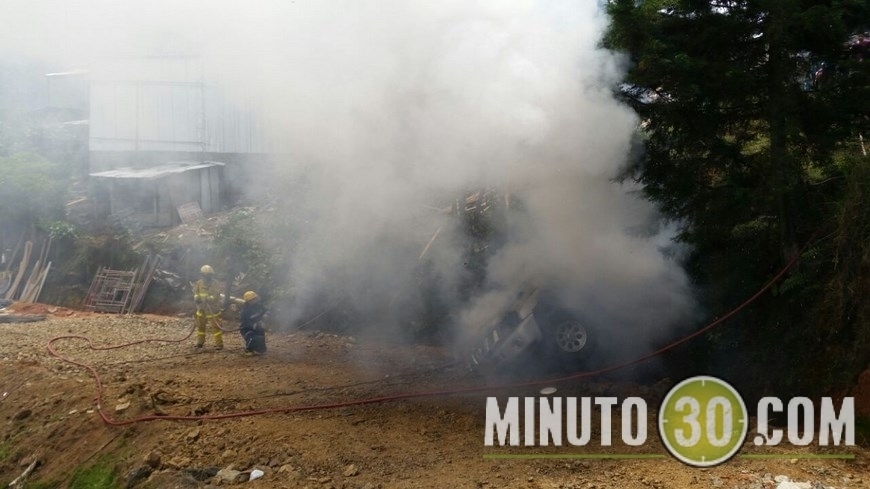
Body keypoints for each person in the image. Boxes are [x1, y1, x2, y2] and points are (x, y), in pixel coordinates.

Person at [193, 264, 224, 350]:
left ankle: (219, 344)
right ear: (202, 275)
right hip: (201, 309)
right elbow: (195, 292)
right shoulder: (199, 283)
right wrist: (197, 298)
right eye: (206, 275)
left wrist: (209, 299)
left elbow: (216, 295)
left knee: (216, 327)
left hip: (212, 309)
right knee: (200, 326)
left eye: (210, 275)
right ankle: (200, 342)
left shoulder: (215, 284)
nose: (208, 277)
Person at [239, 290, 268, 356]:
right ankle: (248, 350)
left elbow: (267, 310)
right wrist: (255, 325)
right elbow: (246, 323)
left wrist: (266, 314)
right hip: (247, 329)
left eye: (255, 298)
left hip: (258, 327)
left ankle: (259, 349)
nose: (255, 300)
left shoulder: (259, 305)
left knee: (261, 350)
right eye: (253, 299)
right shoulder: (245, 311)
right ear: (249, 301)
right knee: (252, 338)